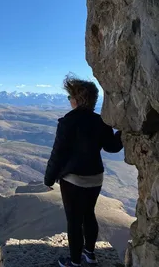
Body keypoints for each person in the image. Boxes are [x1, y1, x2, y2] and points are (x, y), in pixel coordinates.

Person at [44, 75, 123, 267]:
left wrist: (49, 178)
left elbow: (58, 153)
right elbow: (112, 147)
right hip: (96, 177)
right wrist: (123, 130)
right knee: (89, 214)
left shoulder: (68, 122)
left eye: (71, 96)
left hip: (74, 179)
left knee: (74, 220)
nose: (70, 100)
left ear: (77, 100)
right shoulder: (100, 121)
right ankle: (90, 254)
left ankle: (74, 261)